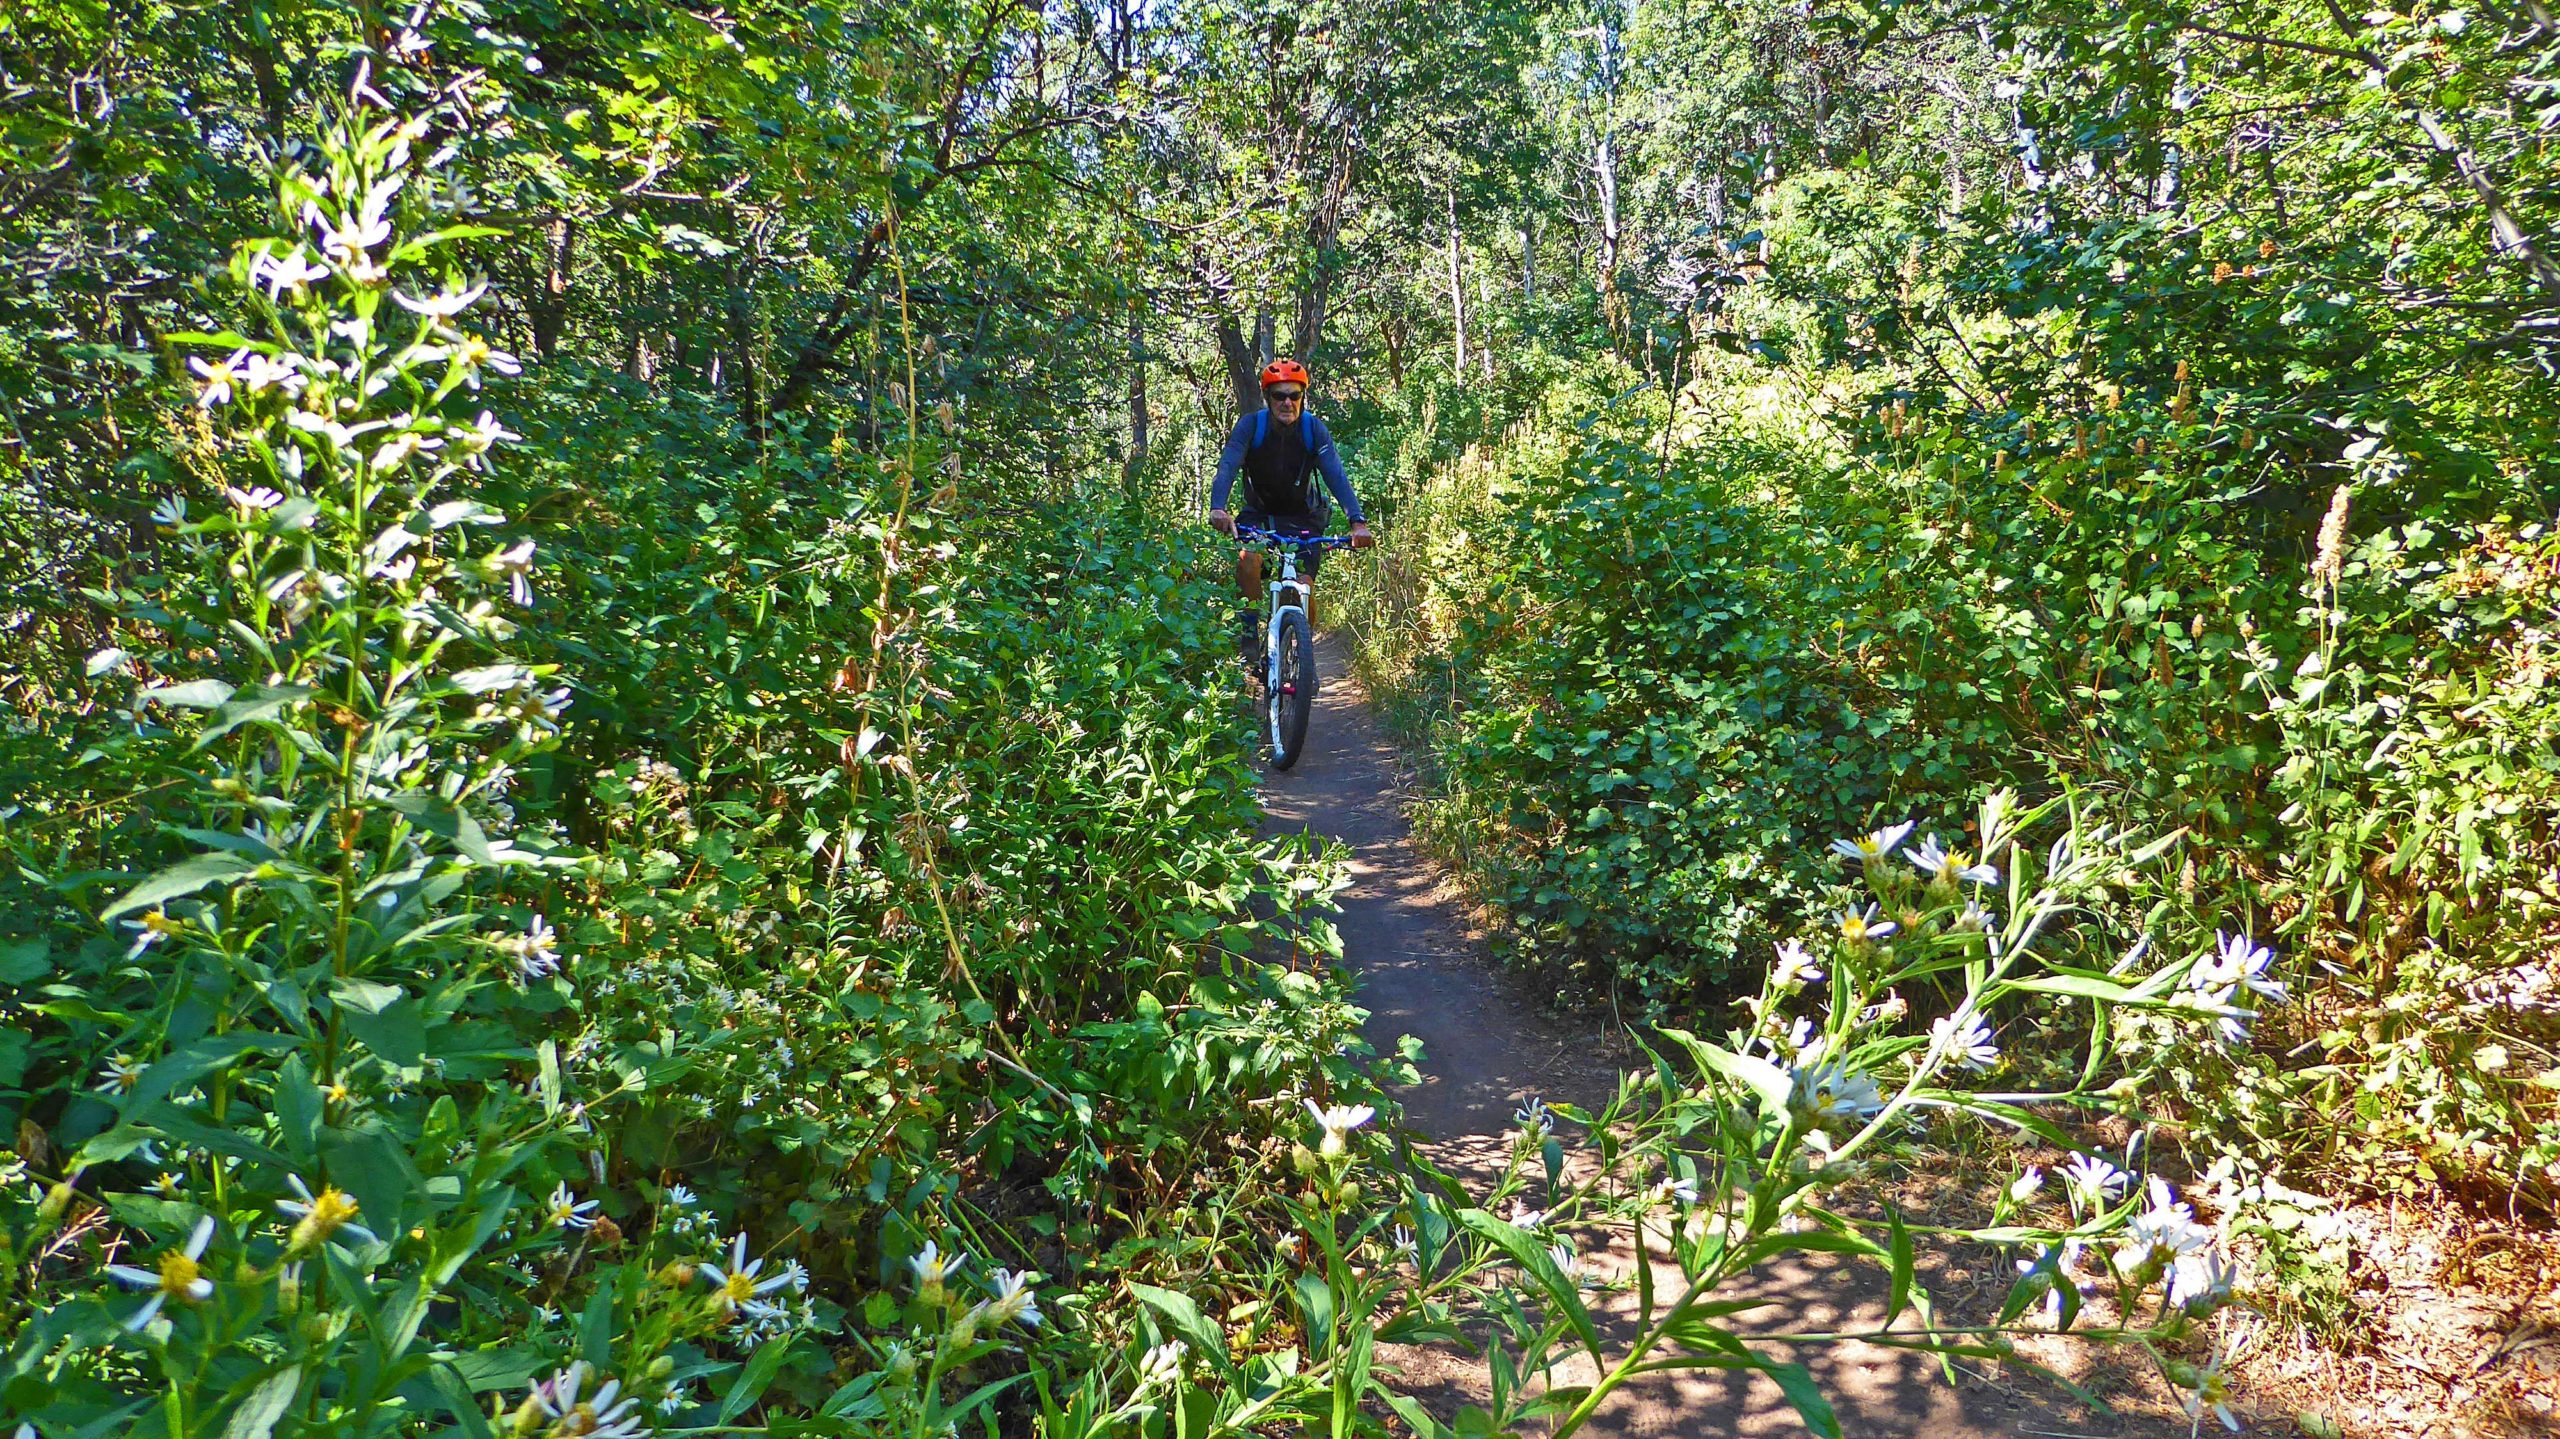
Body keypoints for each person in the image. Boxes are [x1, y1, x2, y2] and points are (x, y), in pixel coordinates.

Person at [1207, 358, 1373, 636]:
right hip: (1259, 516)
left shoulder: (1313, 429)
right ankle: (1250, 634)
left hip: (1302, 518)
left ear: (1302, 397)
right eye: (1279, 396)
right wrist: (1218, 508)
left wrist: (1357, 522)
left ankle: (1303, 661)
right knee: (1248, 560)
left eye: (1294, 395)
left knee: (1303, 589)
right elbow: (1228, 465)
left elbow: (1335, 475)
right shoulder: (1251, 427)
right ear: (1268, 398)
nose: (1287, 402)